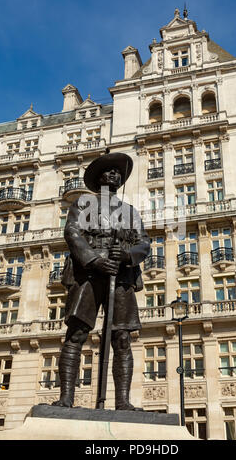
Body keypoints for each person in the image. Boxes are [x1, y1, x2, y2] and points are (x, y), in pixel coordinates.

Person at [53, 150, 150, 410]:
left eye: (118, 171)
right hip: (88, 273)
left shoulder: (130, 212)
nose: (115, 174)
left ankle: (122, 401)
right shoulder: (84, 204)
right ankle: (66, 398)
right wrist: (95, 259)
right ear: (99, 177)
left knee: (121, 338)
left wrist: (127, 255)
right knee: (76, 334)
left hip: (120, 277)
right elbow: (73, 232)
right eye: (109, 170)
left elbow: (144, 243)